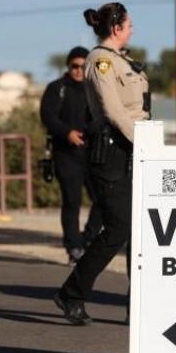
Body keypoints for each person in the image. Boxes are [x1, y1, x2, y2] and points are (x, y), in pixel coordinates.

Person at [54, 2, 149, 325]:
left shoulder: (124, 61)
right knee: (119, 226)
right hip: (112, 151)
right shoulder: (101, 61)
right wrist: (144, 140)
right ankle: (72, 292)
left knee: (139, 230)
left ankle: (138, 304)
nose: (133, 29)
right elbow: (113, 110)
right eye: (129, 24)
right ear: (116, 28)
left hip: (133, 149)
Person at [40, 46, 103, 265]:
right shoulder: (57, 88)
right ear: (68, 66)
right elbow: (48, 116)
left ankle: (87, 239)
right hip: (66, 154)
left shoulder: (96, 89)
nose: (78, 70)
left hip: (93, 153)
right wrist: (67, 133)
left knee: (102, 199)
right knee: (71, 201)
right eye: (74, 66)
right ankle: (74, 247)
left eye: (83, 66)